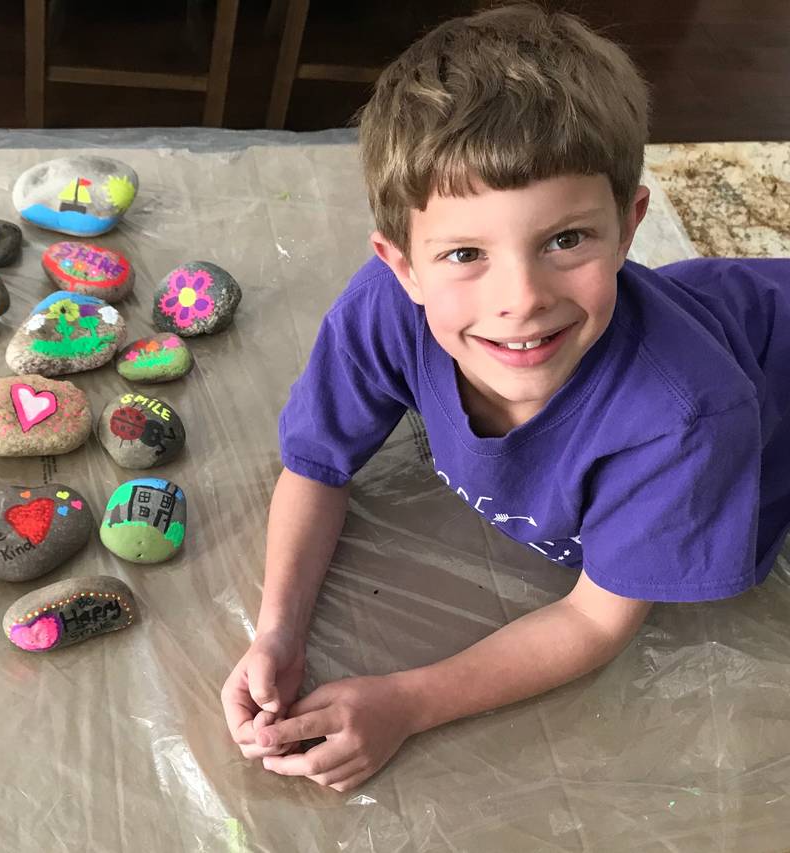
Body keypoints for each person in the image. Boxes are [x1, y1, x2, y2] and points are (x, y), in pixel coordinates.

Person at [220, 1, 790, 793]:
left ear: (628, 229)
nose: (520, 299)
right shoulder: (384, 307)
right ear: (402, 265)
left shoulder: (687, 415)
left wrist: (406, 702)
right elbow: (316, 466)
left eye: (566, 240)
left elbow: (595, 618)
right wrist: (276, 631)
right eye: (464, 253)